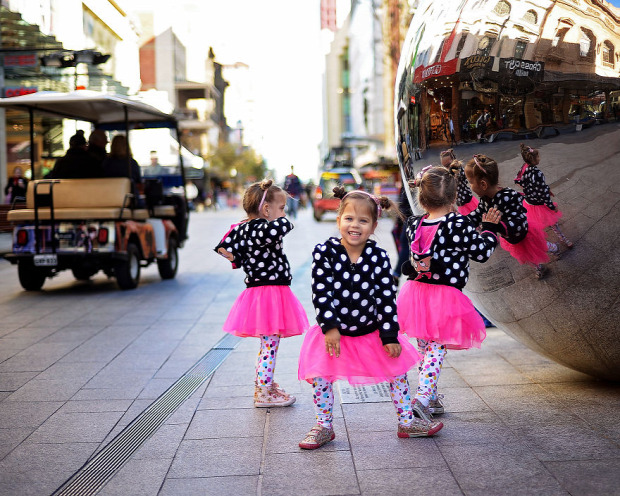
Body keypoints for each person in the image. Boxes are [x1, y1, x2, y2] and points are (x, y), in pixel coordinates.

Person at [297, 187, 443, 450]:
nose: (355, 225)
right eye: (349, 218)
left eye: (363, 220)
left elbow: (387, 297)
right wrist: (329, 328)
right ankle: (323, 425)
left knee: (397, 371)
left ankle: (407, 421)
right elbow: (321, 291)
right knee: (320, 376)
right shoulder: (324, 252)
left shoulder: (378, 256)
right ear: (339, 218)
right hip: (334, 333)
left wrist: (389, 335)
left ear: (374, 225)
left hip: (370, 331)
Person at [396, 165, 502, 420]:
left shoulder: (414, 223)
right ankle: (421, 398)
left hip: (417, 293)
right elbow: (481, 252)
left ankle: (429, 397)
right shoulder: (456, 223)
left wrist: (476, 219)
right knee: (437, 346)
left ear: (421, 198)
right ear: (454, 198)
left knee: (425, 345)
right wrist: (490, 229)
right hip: (444, 295)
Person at [214, 179, 309, 408]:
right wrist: (279, 219)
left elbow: (223, 247)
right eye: (281, 207)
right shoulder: (262, 228)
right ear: (266, 209)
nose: (284, 213)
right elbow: (285, 226)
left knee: (268, 344)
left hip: (258, 291)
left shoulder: (242, 228)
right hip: (270, 292)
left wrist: (241, 256)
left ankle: (264, 384)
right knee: (270, 344)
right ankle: (263, 391)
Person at [464, 154, 554, 279]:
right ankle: (539, 268)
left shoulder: (508, 197)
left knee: (541, 247)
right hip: (511, 238)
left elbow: (517, 223)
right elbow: (479, 213)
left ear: (483, 184)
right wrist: (461, 223)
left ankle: (555, 248)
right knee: (528, 256)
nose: (470, 186)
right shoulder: (485, 199)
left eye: (470, 182)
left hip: (523, 235)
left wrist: (495, 226)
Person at [516, 144, 573, 249]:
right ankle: (563, 238)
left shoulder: (524, 167)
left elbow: (518, 180)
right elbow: (544, 195)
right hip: (539, 204)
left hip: (528, 202)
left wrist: (529, 189)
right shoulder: (538, 173)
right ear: (533, 159)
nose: (539, 158)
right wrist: (552, 207)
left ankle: (542, 242)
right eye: (538, 156)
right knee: (553, 222)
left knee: (536, 224)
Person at [101, 135, 143, 206]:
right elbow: (138, 182)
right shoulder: (132, 163)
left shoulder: (106, 163)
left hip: (109, 198)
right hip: (130, 200)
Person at [439, 149, 479, 215]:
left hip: (467, 198)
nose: (447, 168)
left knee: (476, 214)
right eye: (445, 166)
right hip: (460, 202)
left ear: (454, 160)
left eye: (448, 165)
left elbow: (461, 175)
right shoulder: (448, 173)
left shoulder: (458, 169)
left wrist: (454, 172)